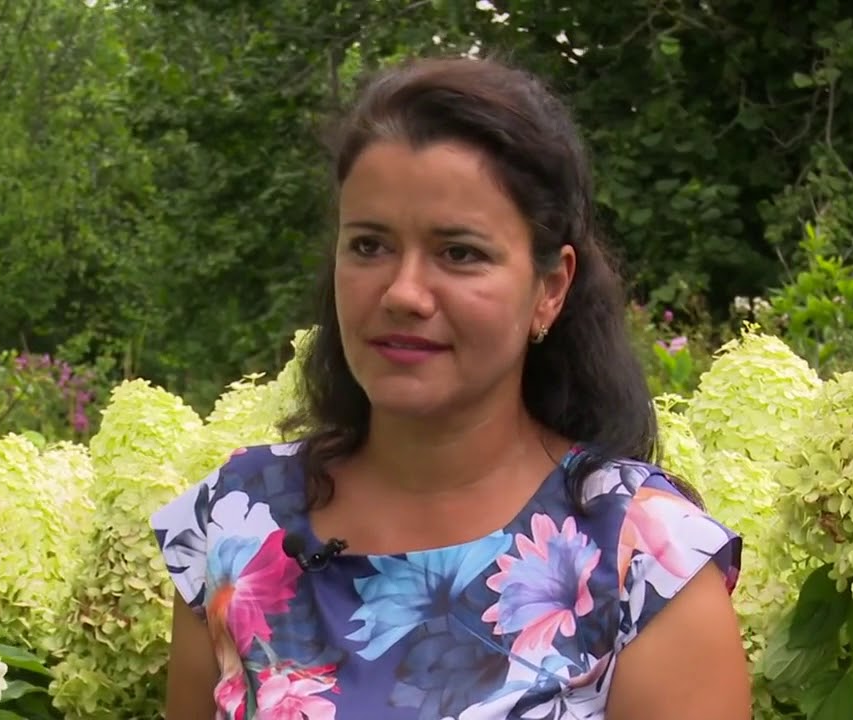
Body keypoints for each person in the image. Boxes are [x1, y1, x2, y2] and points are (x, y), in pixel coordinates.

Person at [151, 52, 750, 720]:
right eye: (370, 246)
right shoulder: (236, 522)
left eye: (459, 253)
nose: (403, 292)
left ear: (550, 290)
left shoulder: (643, 561)